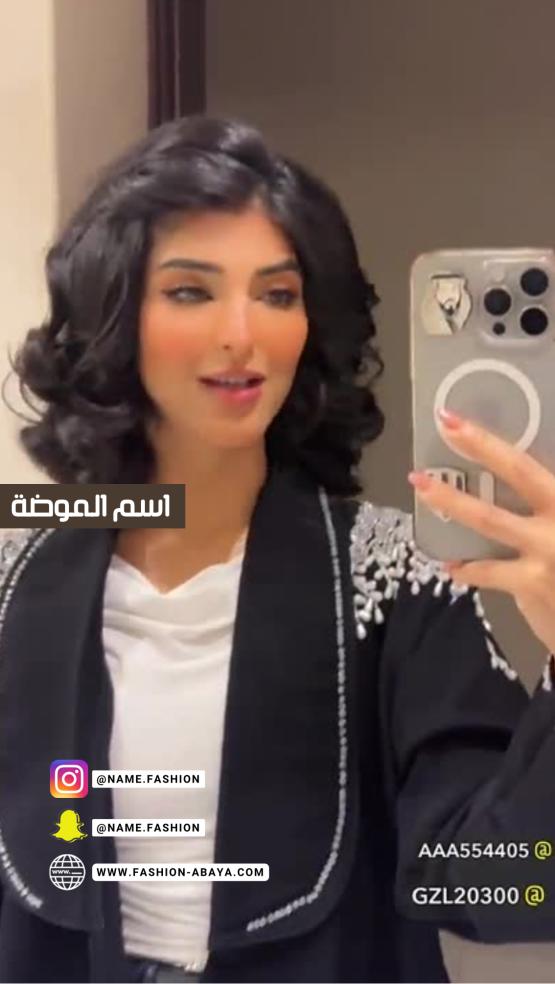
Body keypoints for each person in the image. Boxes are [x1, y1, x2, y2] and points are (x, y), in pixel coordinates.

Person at [0, 114, 554, 984]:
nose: (241, 333)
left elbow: (503, 891)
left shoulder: (393, 577)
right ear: (115, 314)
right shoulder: (19, 580)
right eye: (191, 291)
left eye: (277, 294)